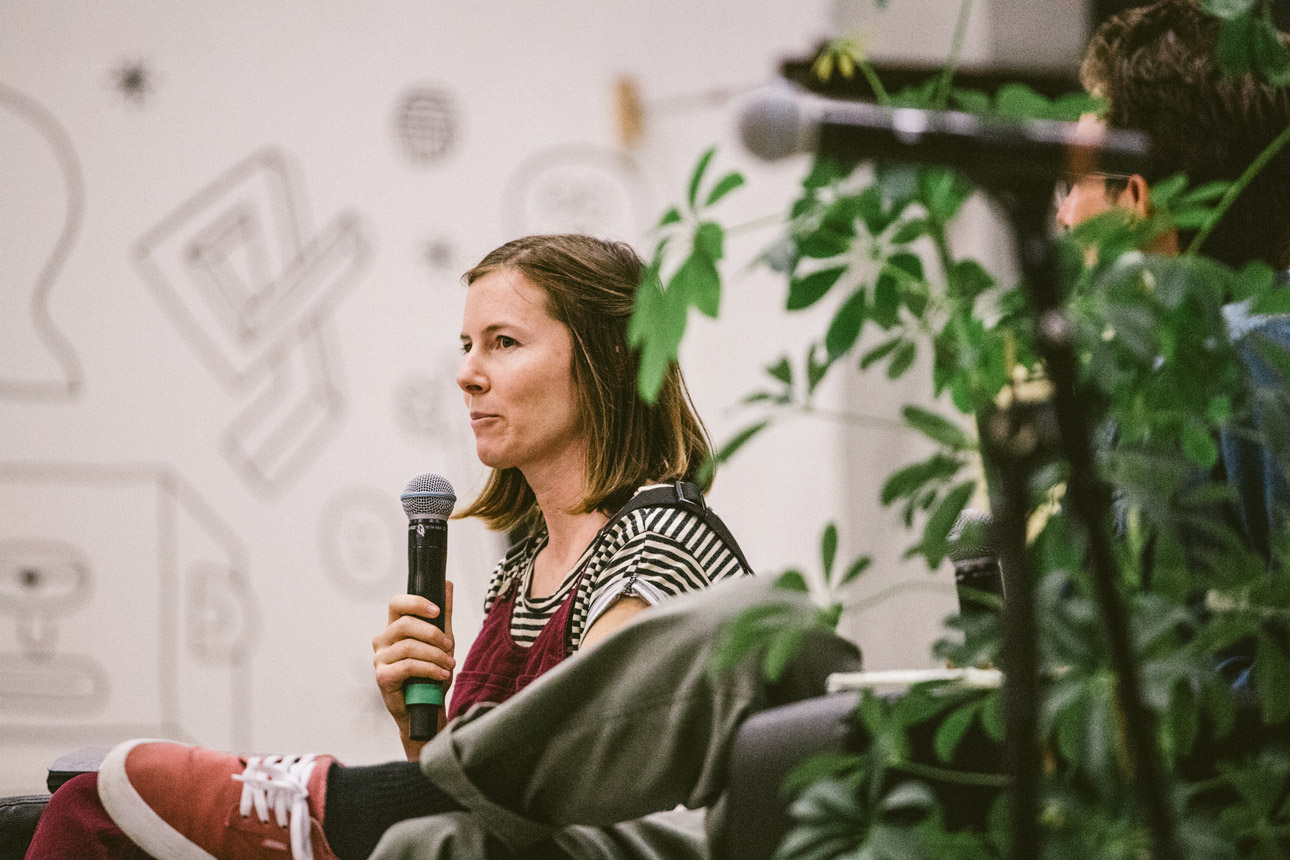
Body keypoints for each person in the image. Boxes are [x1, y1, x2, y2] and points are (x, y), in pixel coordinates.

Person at [22, 233, 768, 860]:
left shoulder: (661, 539)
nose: (467, 374)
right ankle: (305, 799)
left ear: (609, 359)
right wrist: (422, 722)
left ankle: (310, 797)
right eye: (467, 344)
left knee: (97, 812)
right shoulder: (524, 564)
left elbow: (583, 787)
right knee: (70, 817)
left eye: (503, 343)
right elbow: (475, 812)